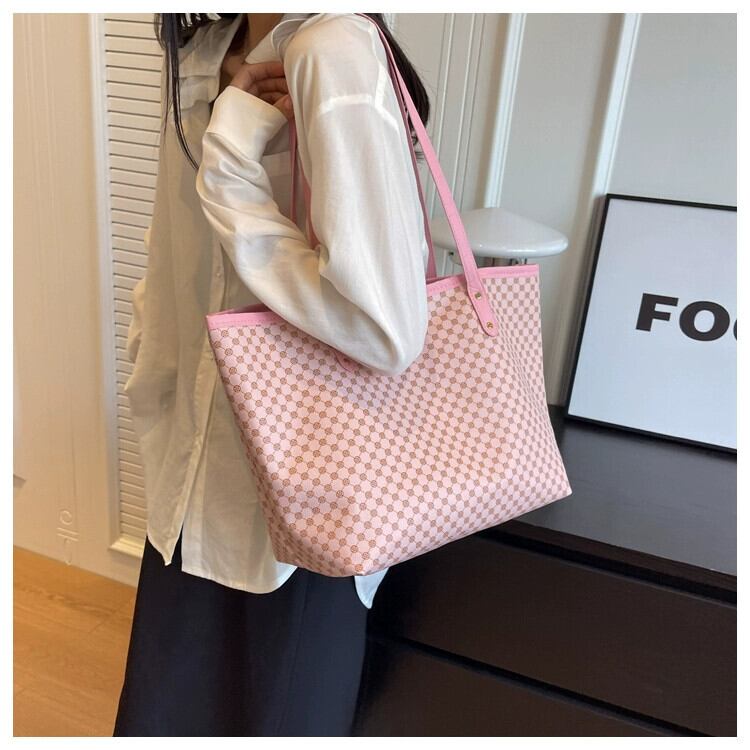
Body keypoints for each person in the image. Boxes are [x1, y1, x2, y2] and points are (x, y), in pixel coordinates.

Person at [112, 12, 432, 737]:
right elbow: (173, 246)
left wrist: (231, 159)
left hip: (301, 491)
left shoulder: (331, 48)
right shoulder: (201, 46)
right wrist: (147, 363)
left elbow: (384, 326)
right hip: (189, 469)